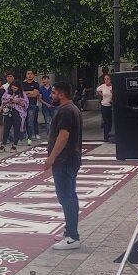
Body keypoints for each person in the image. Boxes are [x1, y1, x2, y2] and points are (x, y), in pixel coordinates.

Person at [44, 83, 84, 250]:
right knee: (70, 196)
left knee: (66, 198)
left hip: (64, 160)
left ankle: (73, 237)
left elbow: (64, 135)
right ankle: (69, 231)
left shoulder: (65, 111)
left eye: (53, 93)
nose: (51, 96)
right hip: (71, 158)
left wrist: (51, 157)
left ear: (61, 94)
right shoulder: (72, 108)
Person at [96, 74, 114, 141]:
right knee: (106, 122)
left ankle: (110, 135)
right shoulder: (103, 86)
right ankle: (106, 136)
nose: (106, 80)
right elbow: (97, 90)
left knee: (110, 121)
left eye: (107, 79)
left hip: (110, 106)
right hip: (104, 105)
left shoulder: (112, 87)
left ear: (110, 79)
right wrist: (102, 95)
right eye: (105, 79)